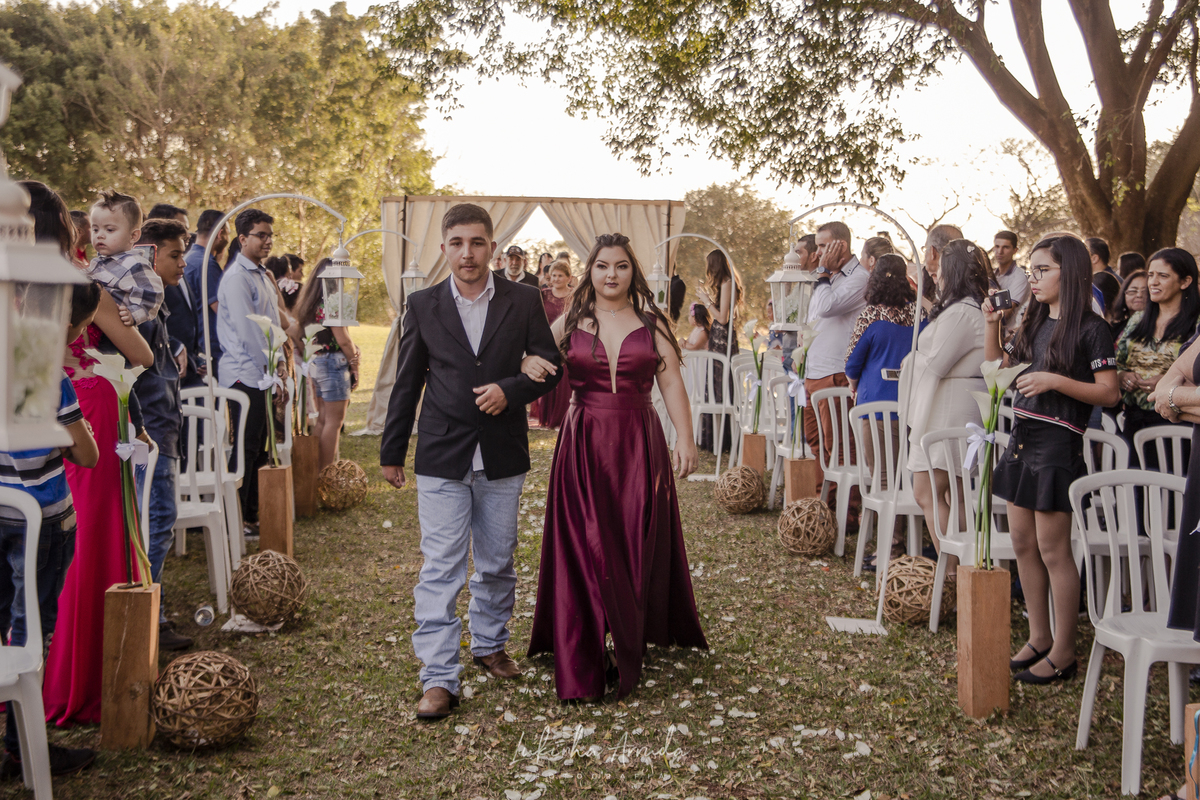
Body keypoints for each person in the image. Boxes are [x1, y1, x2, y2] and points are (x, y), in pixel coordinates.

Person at [379, 203, 562, 721]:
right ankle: (438, 677)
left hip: (502, 452)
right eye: (457, 243)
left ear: (492, 248)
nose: (467, 253)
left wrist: (511, 389)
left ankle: (489, 644)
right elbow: (408, 381)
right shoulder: (423, 304)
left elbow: (551, 366)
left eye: (477, 243)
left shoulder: (523, 300)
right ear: (445, 248)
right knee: (441, 566)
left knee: (498, 560)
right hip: (442, 454)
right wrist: (393, 450)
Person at [521, 232, 706, 701]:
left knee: (629, 539)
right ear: (591, 271)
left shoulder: (651, 323)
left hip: (638, 443)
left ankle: (626, 630)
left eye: (621, 266)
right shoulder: (571, 321)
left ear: (631, 271)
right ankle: (585, 644)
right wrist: (525, 364)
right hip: (582, 441)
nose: (611, 274)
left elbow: (672, 383)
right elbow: (533, 356)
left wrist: (685, 438)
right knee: (583, 544)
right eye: (602, 266)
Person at [39, 184, 154, 727]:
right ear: (66, 229)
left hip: (31, 414)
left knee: (42, 537)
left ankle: (37, 676)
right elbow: (141, 353)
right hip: (88, 408)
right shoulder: (82, 284)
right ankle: (89, 677)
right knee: (88, 537)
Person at [985, 235, 1119, 684]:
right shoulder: (1034, 319)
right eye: (1032, 270)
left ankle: (1064, 652)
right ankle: (1039, 636)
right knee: (1022, 543)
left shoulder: (1092, 328)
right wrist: (991, 325)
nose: (1034, 278)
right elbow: (997, 374)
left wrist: (1054, 381)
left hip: (1059, 444)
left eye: (1043, 270)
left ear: (1071, 272)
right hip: (1022, 438)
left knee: (1053, 550)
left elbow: (1109, 392)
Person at [0, 282, 100, 779]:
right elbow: (88, 454)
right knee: (31, 631)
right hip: (43, 520)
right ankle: (25, 749)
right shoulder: (50, 376)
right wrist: (68, 438)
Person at [129, 219, 194, 651]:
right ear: (151, 254)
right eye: (175, 254)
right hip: (151, 432)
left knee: (159, 524)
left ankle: (154, 608)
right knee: (154, 525)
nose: (183, 264)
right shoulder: (138, 310)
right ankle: (149, 616)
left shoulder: (157, 305)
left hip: (163, 428)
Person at [906, 239, 990, 563]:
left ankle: (953, 570)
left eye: (940, 269)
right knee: (953, 494)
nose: (937, 275)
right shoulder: (965, 309)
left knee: (927, 492)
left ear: (952, 272)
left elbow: (935, 364)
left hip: (947, 409)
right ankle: (964, 569)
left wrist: (911, 361)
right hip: (951, 403)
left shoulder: (962, 313)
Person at [845, 255, 920, 566]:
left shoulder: (871, 315)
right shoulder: (919, 313)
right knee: (906, 478)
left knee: (884, 478)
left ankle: (890, 547)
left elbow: (852, 363)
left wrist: (854, 385)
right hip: (913, 406)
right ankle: (903, 543)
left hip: (876, 406)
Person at [216, 208, 280, 538]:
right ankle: (236, 518)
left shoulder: (261, 274)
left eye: (270, 235)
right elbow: (249, 333)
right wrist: (270, 370)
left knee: (259, 447)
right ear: (242, 239)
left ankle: (252, 515)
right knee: (245, 448)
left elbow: (273, 325)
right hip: (245, 374)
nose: (268, 241)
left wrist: (278, 368)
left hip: (263, 373)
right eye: (261, 235)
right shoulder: (237, 278)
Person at [802, 221, 868, 507]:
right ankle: (824, 506)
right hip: (813, 372)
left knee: (840, 447)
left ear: (841, 245)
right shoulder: (826, 278)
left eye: (822, 246)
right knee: (817, 444)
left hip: (836, 372)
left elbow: (828, 307)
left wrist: (823, 274)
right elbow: (815, 318)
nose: (817, 253)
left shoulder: (860, 277)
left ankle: (847, 514)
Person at [1115, 249, 1199, 466]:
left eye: (1163, 276)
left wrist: (1166, 383)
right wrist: (1123, 376)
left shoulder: (1197, 324)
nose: (1153, 282)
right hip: (1134, 420)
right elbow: (1117, 363)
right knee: (1136, 483)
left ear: (1185, 281)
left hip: (1179, 425)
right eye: (1150, 275)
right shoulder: (1137, 320)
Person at [295, 258, 361, 471]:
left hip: (317, 361)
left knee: (323, 419)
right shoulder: (332, 304)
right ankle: (326, 474)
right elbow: (342, 339)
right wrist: (354, 363)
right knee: (334, 421)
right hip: (333, 363)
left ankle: (314, 473)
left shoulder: (311, 304)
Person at [84, 190, 163, 327]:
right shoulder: (99, 262)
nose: (99, 235)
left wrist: (133, 314)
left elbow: (153, 293)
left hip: (117, 327)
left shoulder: (135, 264)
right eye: (95, 229)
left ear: (133, 236)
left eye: (109, 230)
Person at [696, 249, 743, 454]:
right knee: (715, 385)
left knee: (722, 385)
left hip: (723, 339)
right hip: (718, 338)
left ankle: (724, 439)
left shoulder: (727, 283)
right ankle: (714, 439)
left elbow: (723, 318)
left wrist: (706, 300)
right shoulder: (724, 284)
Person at [185, 209, 228, 379]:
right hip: (211, 350)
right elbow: (222, 310)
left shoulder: (189, 259)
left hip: (197, 347)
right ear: (220, 233)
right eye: (228, 233)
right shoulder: (206, 265)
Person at [532, 260, 573, 429]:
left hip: (568, 341)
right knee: (549, 374)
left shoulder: (575, 295)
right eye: (554, 275)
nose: (556, 279)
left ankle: (564, 416)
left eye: (560, 276)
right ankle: (549, 415)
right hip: (547, 340)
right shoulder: (543, 294)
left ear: (568, 277)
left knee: (565, 380)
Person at [992, 230, 1030, 333]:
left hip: (1008, 335)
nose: (1000, 251)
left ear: (1015, 250)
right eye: (997, 246)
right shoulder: (992, 274)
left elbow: (1006, 313)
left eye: (1006, 247)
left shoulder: (1020, 276)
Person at [1110, 270, 1148, 336]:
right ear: (1124, 295)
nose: (1139, 295)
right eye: (1133, 291)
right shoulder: (1115, 329)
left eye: (1145, 291)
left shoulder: (1158, 328)